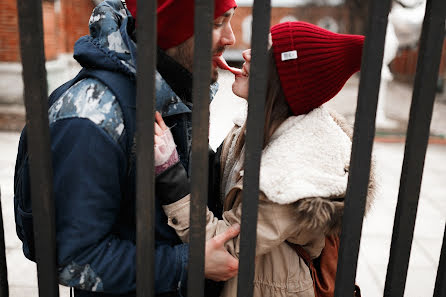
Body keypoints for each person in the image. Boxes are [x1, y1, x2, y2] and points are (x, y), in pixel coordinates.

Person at [14, 0, 241, 296]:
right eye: (216, 23)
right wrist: (187, 264)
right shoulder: (92, 114)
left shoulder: (176, 90)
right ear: (170, 28)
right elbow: (73, 259)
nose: (231, 38)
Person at [153, 21, 377, 297]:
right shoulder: (257, 125)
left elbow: (223, 248)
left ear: (284, 81)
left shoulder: (291, 174)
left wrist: (169, 174)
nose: (246, 53)